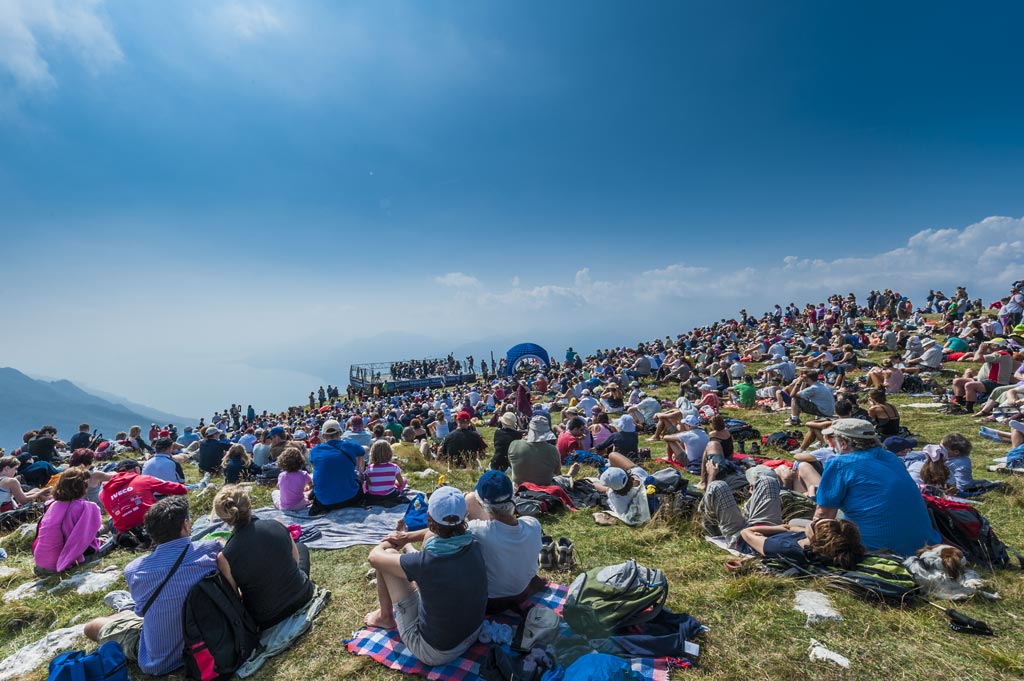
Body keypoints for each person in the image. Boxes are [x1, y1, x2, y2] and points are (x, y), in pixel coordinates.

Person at [84, 496, 221, 676]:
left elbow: (141, 613)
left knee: (91, 627)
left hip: (161, 661)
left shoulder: (134, 570)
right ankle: (124, 607)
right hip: (209, 643)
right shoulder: (212, 550)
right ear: (186, 525)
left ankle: (124, 607)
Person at [363, 486, 487, 666]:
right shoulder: (474, 543)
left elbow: (374, 558)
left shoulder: (425, 562)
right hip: (473, 632)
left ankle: (385, 617)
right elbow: (434, 532)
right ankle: (404, 551)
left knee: (386, 559)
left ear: (429, 518)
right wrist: (406, 538)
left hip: (436, 652)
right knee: (410, 555)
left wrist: (389, 542)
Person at [813, 419, 940, 557]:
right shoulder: (890, 457)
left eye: (834, 438)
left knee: (797, 526)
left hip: (874, 549)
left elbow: (823, 516)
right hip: (923, 546)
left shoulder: (840, 463)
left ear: (843, 443)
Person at [214, 486, 316, 629]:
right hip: (302, 595)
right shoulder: (276, 524)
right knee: (301, 547)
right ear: (250, 505)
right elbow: (296, 561)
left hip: (266, 618)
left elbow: (235, 598)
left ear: (222, 518)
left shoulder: (224, 557)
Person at [462, 470, 545, 612]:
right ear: (513, 496)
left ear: (481, 503)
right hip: (524, 590)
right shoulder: (533, 524)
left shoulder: (476, 531)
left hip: (491, 601)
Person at [32, 469, 105, 574]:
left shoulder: (51, 504)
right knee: (109, 540)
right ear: (83, 487)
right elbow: (84, 537)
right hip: (58, 564)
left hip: (40, 562)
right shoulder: (87, 507)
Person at [699, 461, 782, 548]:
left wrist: (711, 475)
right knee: (768, 481)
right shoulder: (774, 494)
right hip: (768, 530)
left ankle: (708, 528)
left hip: (742, 539)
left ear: (752, 489)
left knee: (717, 486)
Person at [99, 460, 187, 535]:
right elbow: (178, 489)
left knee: (112, 520)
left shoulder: (103, 493)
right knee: (174, 500)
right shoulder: (143, 479)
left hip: (127, 533)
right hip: (152, 524)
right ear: (137, 469)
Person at [740, 518, 867, 568]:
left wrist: (760, 533)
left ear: (814, 536)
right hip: (765, 531)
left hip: (740, 538)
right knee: (768, 482)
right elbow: (788, 528)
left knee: (720, 487)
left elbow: (745, 532)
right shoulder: (814, 545)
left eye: (814, 523)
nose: (815, 519)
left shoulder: (784, 548)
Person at [308, 419, 364, 514]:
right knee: (359, 475)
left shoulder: (315, 450)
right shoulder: (350, 446)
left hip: (324, 502)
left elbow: (314, 465)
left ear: (324, 435)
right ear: (340, 432)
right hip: (350, 498)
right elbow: (362, 451)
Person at [593, 453, 652, 526]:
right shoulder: (635, 478)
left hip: (629, 482)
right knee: (612, 455)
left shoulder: (617, 498)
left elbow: (620, 511)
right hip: (639, 475)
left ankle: (607, 476)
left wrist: (608, 492)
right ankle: (611, 470)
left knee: (595, 484)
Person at [508, 415, 563, 487]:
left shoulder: (514, 444)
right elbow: (557, 472)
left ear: (528, 428)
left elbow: (511, 465)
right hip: (544, 489)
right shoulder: (553, 450)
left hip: (519, 488)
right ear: (547, 431)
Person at [273, 446, 312, 511]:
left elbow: (280, 487)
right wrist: (306, 488)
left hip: (284, 507)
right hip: (300, 505)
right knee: (307, 495)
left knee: (275, 492)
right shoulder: (304, 474)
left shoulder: (281, 475)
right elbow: (311, 485)